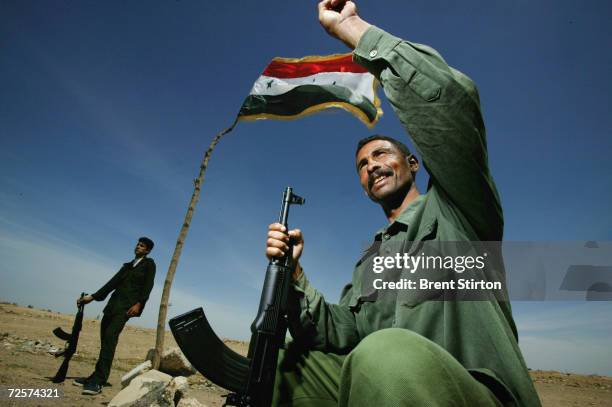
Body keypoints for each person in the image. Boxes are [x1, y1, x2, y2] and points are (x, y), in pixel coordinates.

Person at [264, 1, 541, 406]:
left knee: (385, 354)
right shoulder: (370, 261)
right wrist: (294, 276)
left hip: (476, 394)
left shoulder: (457, 209)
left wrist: (354, 29)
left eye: (381, 155)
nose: (372, 166)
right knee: (285, 362)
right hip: (383, 382)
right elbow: (341, 331)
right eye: (362, 165)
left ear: (413, 164)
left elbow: (451, 104)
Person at [74, 237, 156, 395]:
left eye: (142, 246)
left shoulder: (149, 265)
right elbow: (111, 283)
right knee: (105, 341)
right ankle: (97, 376)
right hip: (112, 307)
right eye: (138, 244)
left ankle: (98, 382)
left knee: (110, 339)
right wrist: (92, 297)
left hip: (125, 309)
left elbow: (148, 286)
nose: (138, 247)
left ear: (147, 250)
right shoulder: (127, 266)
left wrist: (139, 304)